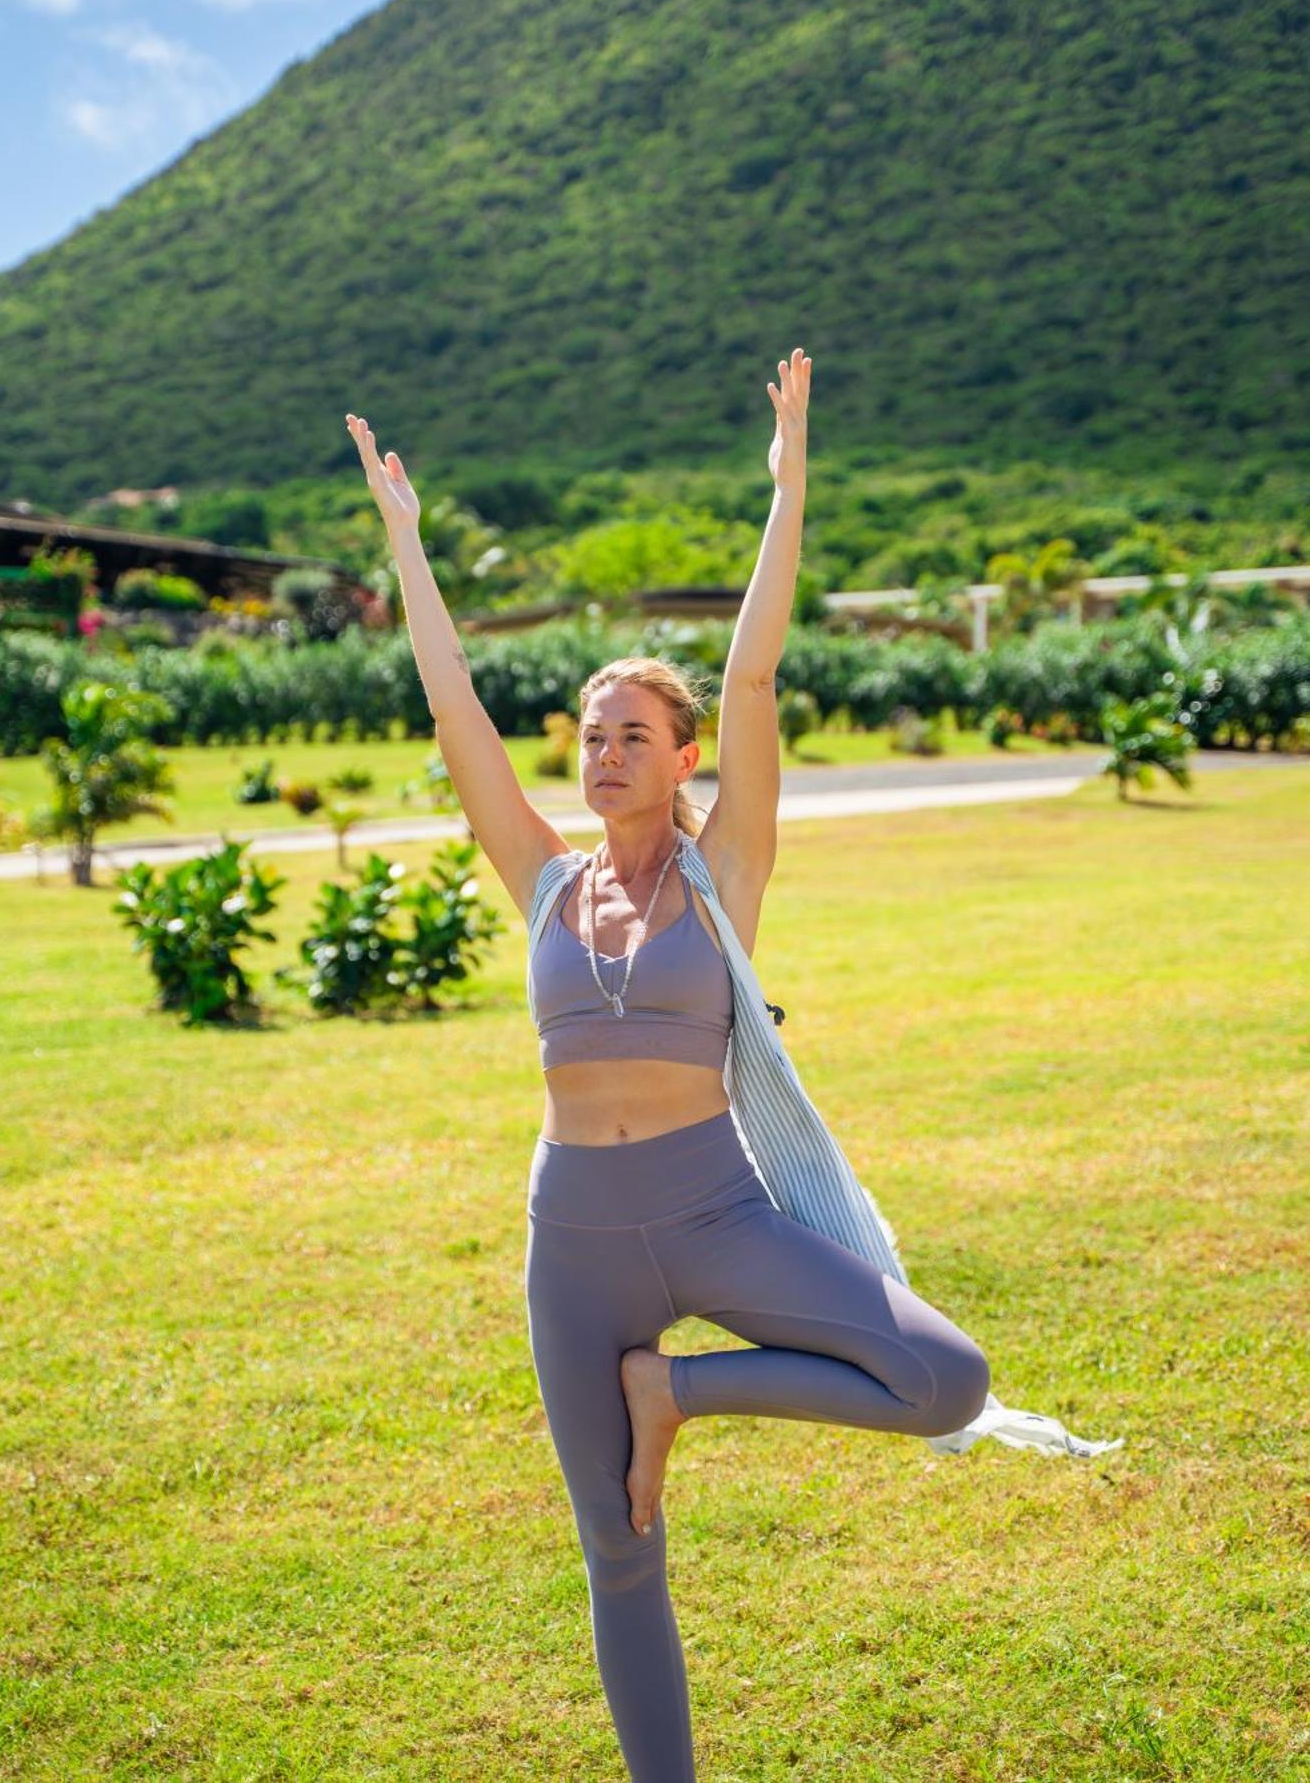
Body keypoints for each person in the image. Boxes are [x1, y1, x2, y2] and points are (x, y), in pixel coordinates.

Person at [346, 351, 991, 1782]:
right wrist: (407, 545)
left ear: (684, 752)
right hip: (573, 1239)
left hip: (715, 1213)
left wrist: (787, 478)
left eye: (630, 733)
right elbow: (456, 720)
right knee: (618, 1552)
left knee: (942, 1378)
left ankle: (675, 1395)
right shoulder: (545, 882)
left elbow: (756, 664)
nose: (601, 752)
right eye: (587, 736)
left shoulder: (725, 877)